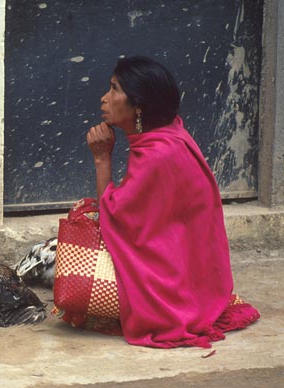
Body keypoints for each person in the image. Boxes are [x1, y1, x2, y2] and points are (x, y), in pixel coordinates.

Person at [83, 55, 260, 348]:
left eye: (114, 89)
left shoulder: (157, 155)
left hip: (169, 288)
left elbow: (113, 216)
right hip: (189, 274)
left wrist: (102, 159)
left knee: (70, 270)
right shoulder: (169, 135)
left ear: (138, 106)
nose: (104, 98)